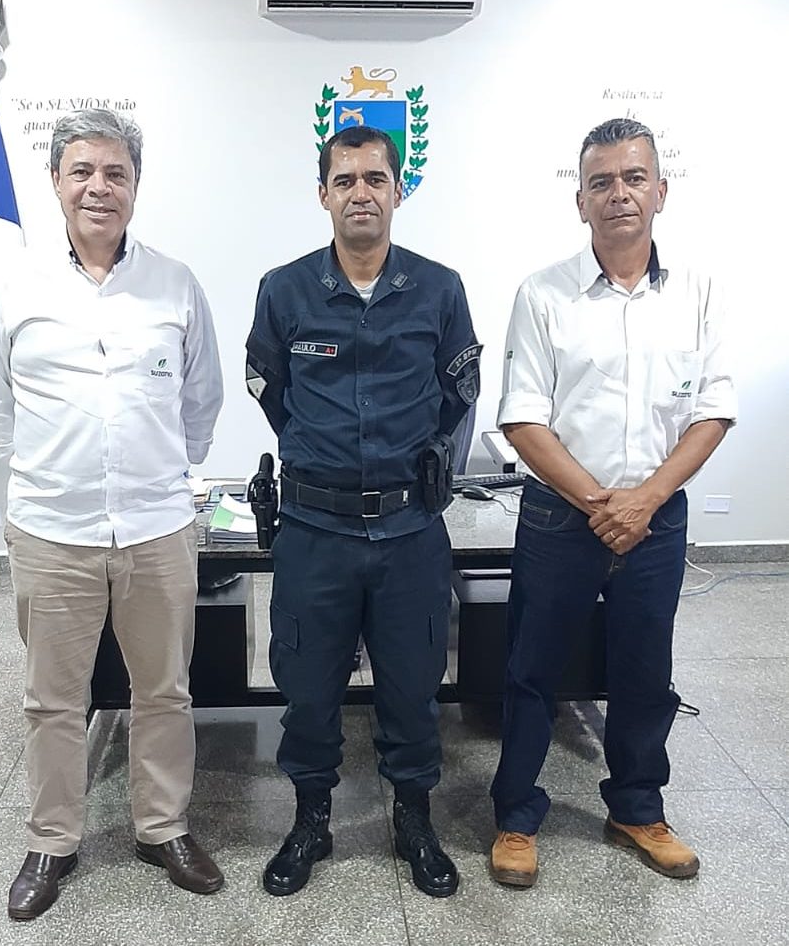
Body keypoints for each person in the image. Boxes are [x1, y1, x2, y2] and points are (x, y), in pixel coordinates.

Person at [0, 109, 225, 920]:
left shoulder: (174, 283)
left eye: (115, 173)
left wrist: (157, 468)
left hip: (156, 526)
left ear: (135, 186)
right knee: (52, 699)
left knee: (165, 690)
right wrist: (55, 467)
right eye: (81, 171)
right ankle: (52, 840)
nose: (98, 188)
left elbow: (201, 397)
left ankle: (162, 827)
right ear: (56, 182)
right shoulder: (11, 286)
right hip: (52, 529)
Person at [489, 118, 737, 888]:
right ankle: (515, 815)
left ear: (660, 191)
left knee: (643, 670)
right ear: (580, 201)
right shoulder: (542, 294)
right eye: (600, 182)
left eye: (633, 178)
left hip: (656, 519)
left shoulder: (696, 291)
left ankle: (636, 807)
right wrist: (602, 503)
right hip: (560, 515)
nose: (618, 194)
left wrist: (645, 501)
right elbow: (521, 417)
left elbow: (712, 411)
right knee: (531, 669)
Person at [245, 125, 481, 898]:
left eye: (374, 179)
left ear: (397, 191)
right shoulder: (284, 290)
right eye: (344, 180)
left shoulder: (439, 289)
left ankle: (412, 817)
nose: (360, 194)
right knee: (308, 688)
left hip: (409, 531)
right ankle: (310, 819)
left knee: (412, 686)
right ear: (323, 194)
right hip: (315, 531)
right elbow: (271, 391)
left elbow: (458, 395)